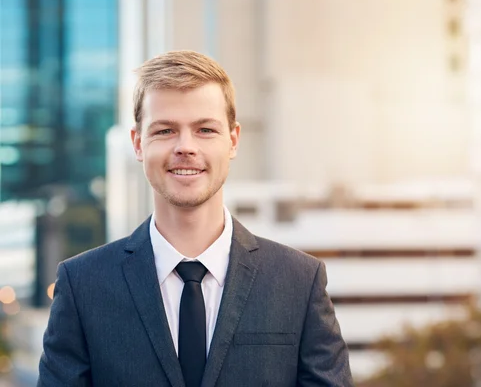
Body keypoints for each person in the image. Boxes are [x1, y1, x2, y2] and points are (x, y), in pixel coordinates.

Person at [37, 50, 353, 387]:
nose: (185, 146)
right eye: (165, 131)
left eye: (204, 129)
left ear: (232, 140)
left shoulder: (299, 281)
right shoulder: (83, 285)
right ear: (138, 143)